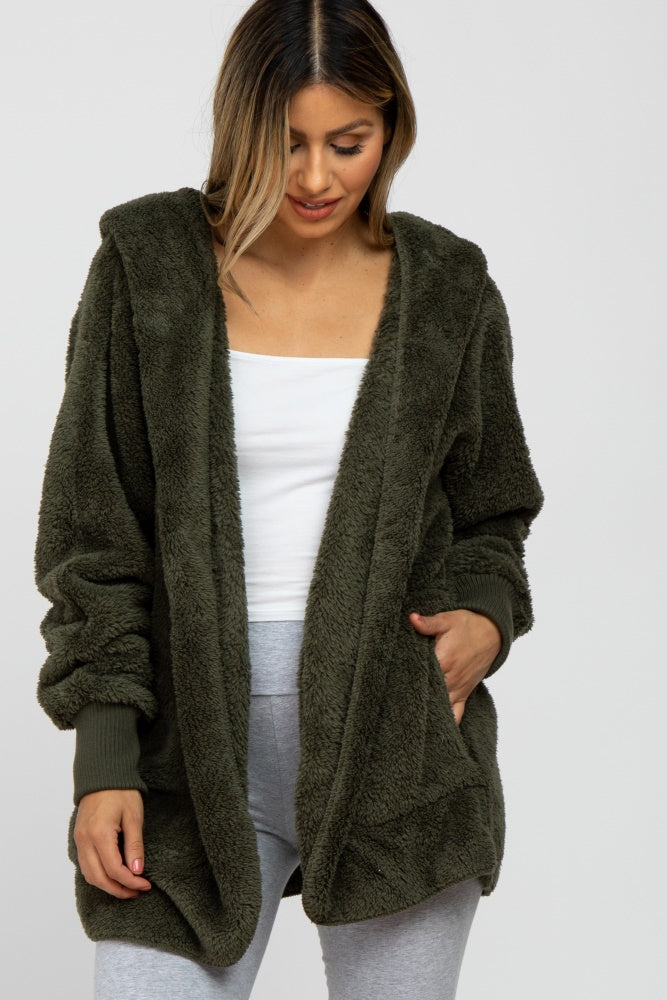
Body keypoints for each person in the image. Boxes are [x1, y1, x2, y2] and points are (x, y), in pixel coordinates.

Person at [33, 1, 545, 997]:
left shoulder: (448, 289)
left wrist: (485, 613)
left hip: (399, 750)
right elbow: (94, 533)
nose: (315, 178)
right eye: (286, 143)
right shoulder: (149, 266)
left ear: (390, 128)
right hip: (188, 762)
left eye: (347, 143)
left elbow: (491, 511)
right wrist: (104, 755)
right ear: (239, 128)